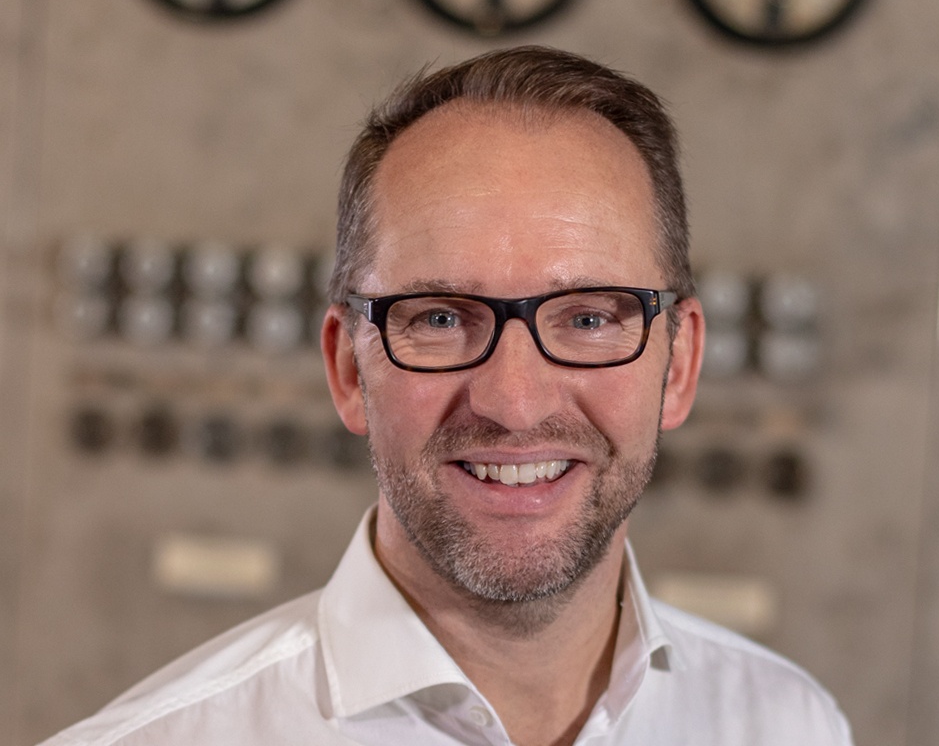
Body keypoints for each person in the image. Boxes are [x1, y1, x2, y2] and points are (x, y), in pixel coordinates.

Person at [41, 46, 853, 746]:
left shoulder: (785, 724)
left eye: (588, 317)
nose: (514, 401)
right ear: (349, 370)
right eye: (439, 317)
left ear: (678, 365)